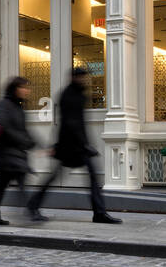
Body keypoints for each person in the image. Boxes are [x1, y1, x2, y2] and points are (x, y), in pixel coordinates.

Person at [27, 67, 122, 224]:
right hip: (71, 146)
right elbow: (70, 123)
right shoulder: (69, 95)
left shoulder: (78, 94)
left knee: (84, 177)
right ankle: (98, 213)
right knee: (63, 177)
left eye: (86, 77)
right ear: (74, 78)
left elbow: (77, 123)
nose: (86, 80)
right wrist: (83, 144)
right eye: (82, 77)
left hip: (75, 145)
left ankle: (99, 212)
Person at [0, 77, 37, 225]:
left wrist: (31, 142)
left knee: (3, 185)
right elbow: (6, 128)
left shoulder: (18, 106)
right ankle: (31, 212)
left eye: (27, 88)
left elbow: (22, 129)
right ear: (15, 88)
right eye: (23, 87)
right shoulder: (5, 104)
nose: (26, 91)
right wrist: (23, 141)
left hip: (15, 153)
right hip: (7, 153)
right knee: (18, 183)